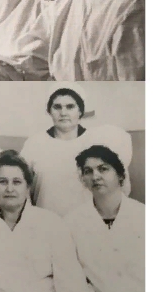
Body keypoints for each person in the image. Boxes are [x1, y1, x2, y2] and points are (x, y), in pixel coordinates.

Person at [0, 150, 92, 292]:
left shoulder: (52, 223)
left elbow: (71, 282)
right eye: (2, 181)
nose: (9, 189)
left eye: (17, 182)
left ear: (28, 187)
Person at [20, 84, 132, 217]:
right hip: (45, 221)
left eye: (70, 107)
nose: (63, 113)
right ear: (49, 111)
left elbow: (121, 187)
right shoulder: (34, 144)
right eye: (57, 107)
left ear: (80, 111)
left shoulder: (98, 141)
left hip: (88, 222)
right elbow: (21, 188)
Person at [65, 145, 145, 292]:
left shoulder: (146, 216)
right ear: (83, 179)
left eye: (103, 169)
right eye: (88, 171)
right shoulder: (72, 222)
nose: (95, 176)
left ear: (120, 175)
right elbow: (68, 273)